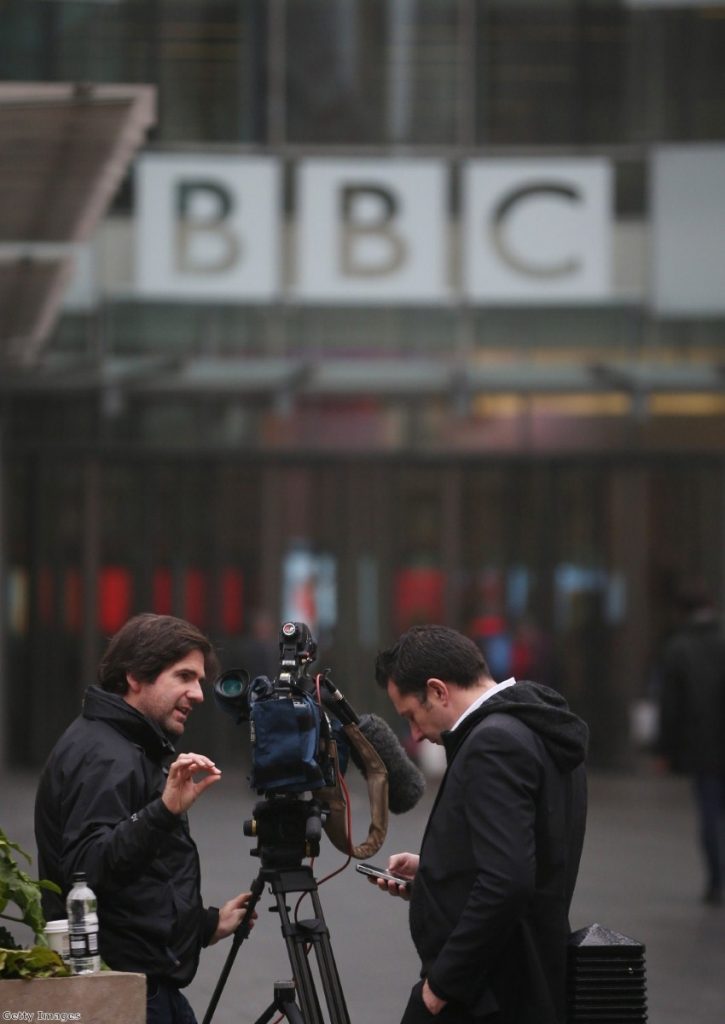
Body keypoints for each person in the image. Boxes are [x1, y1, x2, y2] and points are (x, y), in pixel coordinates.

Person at [35, 613, 256, 1024]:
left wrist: (206, 925)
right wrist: (164, 810)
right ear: (135, 677)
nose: (198, 694)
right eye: (184, 676)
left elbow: (137, 887)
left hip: (139, 987)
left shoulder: (123, 746)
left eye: (200, 680)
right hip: (121, 995)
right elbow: (84, 870)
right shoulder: (105, 755)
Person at [372, 624, 588, 1024]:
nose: (415, 734)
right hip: (525, 980)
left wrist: (440, 988)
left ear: (438, 690)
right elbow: (529, 854)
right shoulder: (537, 725)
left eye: (412, 717)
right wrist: (438, 871)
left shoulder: (493, 743)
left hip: (488, 994)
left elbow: (508, 882)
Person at [656, 582, 725, 905]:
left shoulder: (679, 647)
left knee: (709, 813)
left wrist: (664, 749)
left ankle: (716, 881)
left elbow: (671, 704)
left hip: (703, 747)